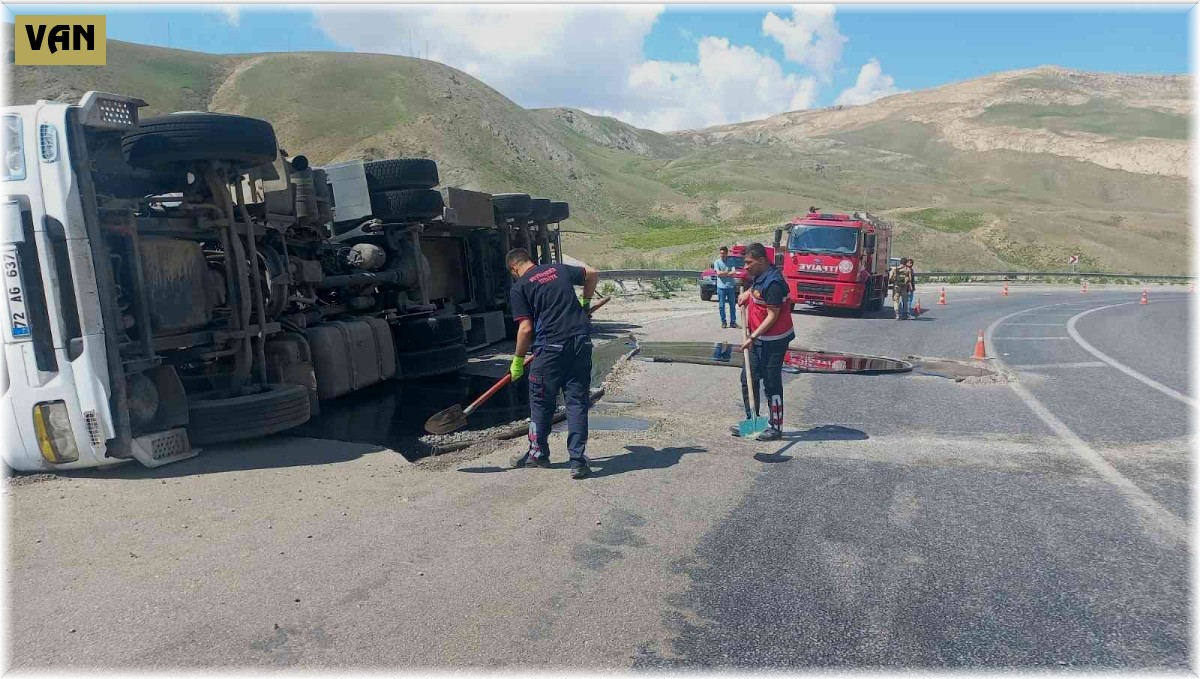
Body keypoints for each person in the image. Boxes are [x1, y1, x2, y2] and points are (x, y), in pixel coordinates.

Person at [506, 248, 600, 479]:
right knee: (576, 402)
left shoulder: (520, 287)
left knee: (540, 401)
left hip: (550, 348)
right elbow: (592, 273)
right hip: (580, 341)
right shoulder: (556, 269)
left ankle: (538, 455)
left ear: (513, 269)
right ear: (531, 260)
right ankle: (577, 462)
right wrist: (585, 304)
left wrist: (517, 360)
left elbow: (526, 328)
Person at [729, 243, 794, 442]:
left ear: (762, 261)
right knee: (748, 378)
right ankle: (753, 423)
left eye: (749, 262)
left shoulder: (774, 283)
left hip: (773, 340)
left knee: (771, 383)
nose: (746, 266)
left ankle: (775, 427)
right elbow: (756, 289)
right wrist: (746, 294)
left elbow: (772, 316)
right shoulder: (760, 275)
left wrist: (752, 337)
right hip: (757, 339)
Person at [713, 246, 739, 329]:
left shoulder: (731, 261)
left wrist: (725, 274)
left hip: (730, 286)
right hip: (721, 287)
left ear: (727, 253)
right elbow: (718, 273)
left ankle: (733, 322)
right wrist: (728, 273)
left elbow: (734, 272)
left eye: (724, 253)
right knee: (721, 306)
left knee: (732, 305)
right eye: (721, 253)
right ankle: (723, 322)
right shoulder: (716, 262)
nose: (722, 255)